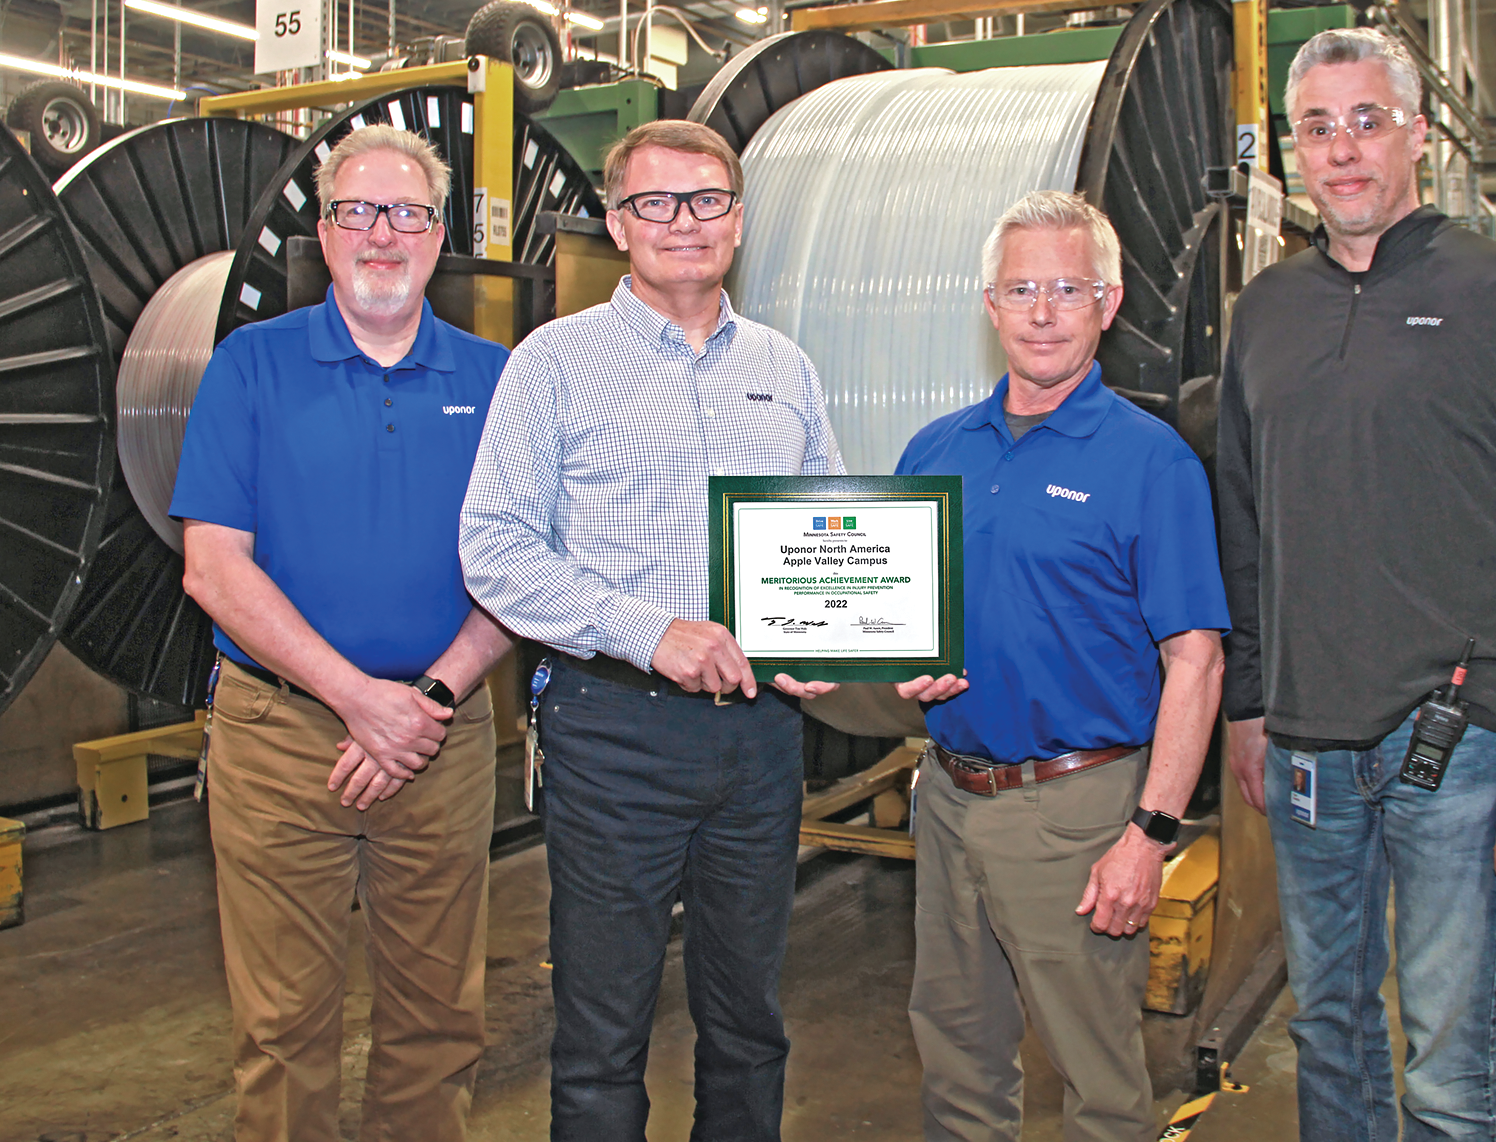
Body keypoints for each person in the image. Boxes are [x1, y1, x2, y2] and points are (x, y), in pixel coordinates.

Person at [1216, 27, 1496, 1139]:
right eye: (1316, 128)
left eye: (1365, 120)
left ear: (1417, 135)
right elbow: (1241, 525)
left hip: (1463, 742)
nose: (1341, 151)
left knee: (1446, 1059)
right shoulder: (1267, 316)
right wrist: (1249, 702)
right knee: (1327, 1035)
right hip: (1304, 748)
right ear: (1290, 153)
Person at [458, 119, 844, 1141]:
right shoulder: (553, 363)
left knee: (749, 1023)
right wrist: (646, 630)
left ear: (739, 219)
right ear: (618, 225)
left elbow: (828, 535)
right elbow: (494, 546)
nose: (686, 222)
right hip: (612, 730)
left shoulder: (785, 369)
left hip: (757, 739)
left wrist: (837, 638)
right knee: (602, 1034)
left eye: (708, 199)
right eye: (656, 203)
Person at [170, 124, 515, 1141]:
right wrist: (359, 701)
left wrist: (434, 696)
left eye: (406, 212)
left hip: (439, 736)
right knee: (282, 1027)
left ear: (438, 234)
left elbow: (524, 570)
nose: (381, 234)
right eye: (356, 211)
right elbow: (212, 566)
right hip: (281, 741)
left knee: (438, 1019)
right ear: (322, 233)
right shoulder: (252, 367)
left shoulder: (497, 381)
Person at [896, 190, 1230, 1141]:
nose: (1044, 311)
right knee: (957, 1061)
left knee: (1100, 1084)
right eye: (1022, 288)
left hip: (1078, 812)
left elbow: (1195, 662)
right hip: (951, 797)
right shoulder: (934, 451)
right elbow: (900, 619)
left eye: (1068, 289)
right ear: (990, 304)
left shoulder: (1150, 461)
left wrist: (1150, 832)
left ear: (1108, 303)